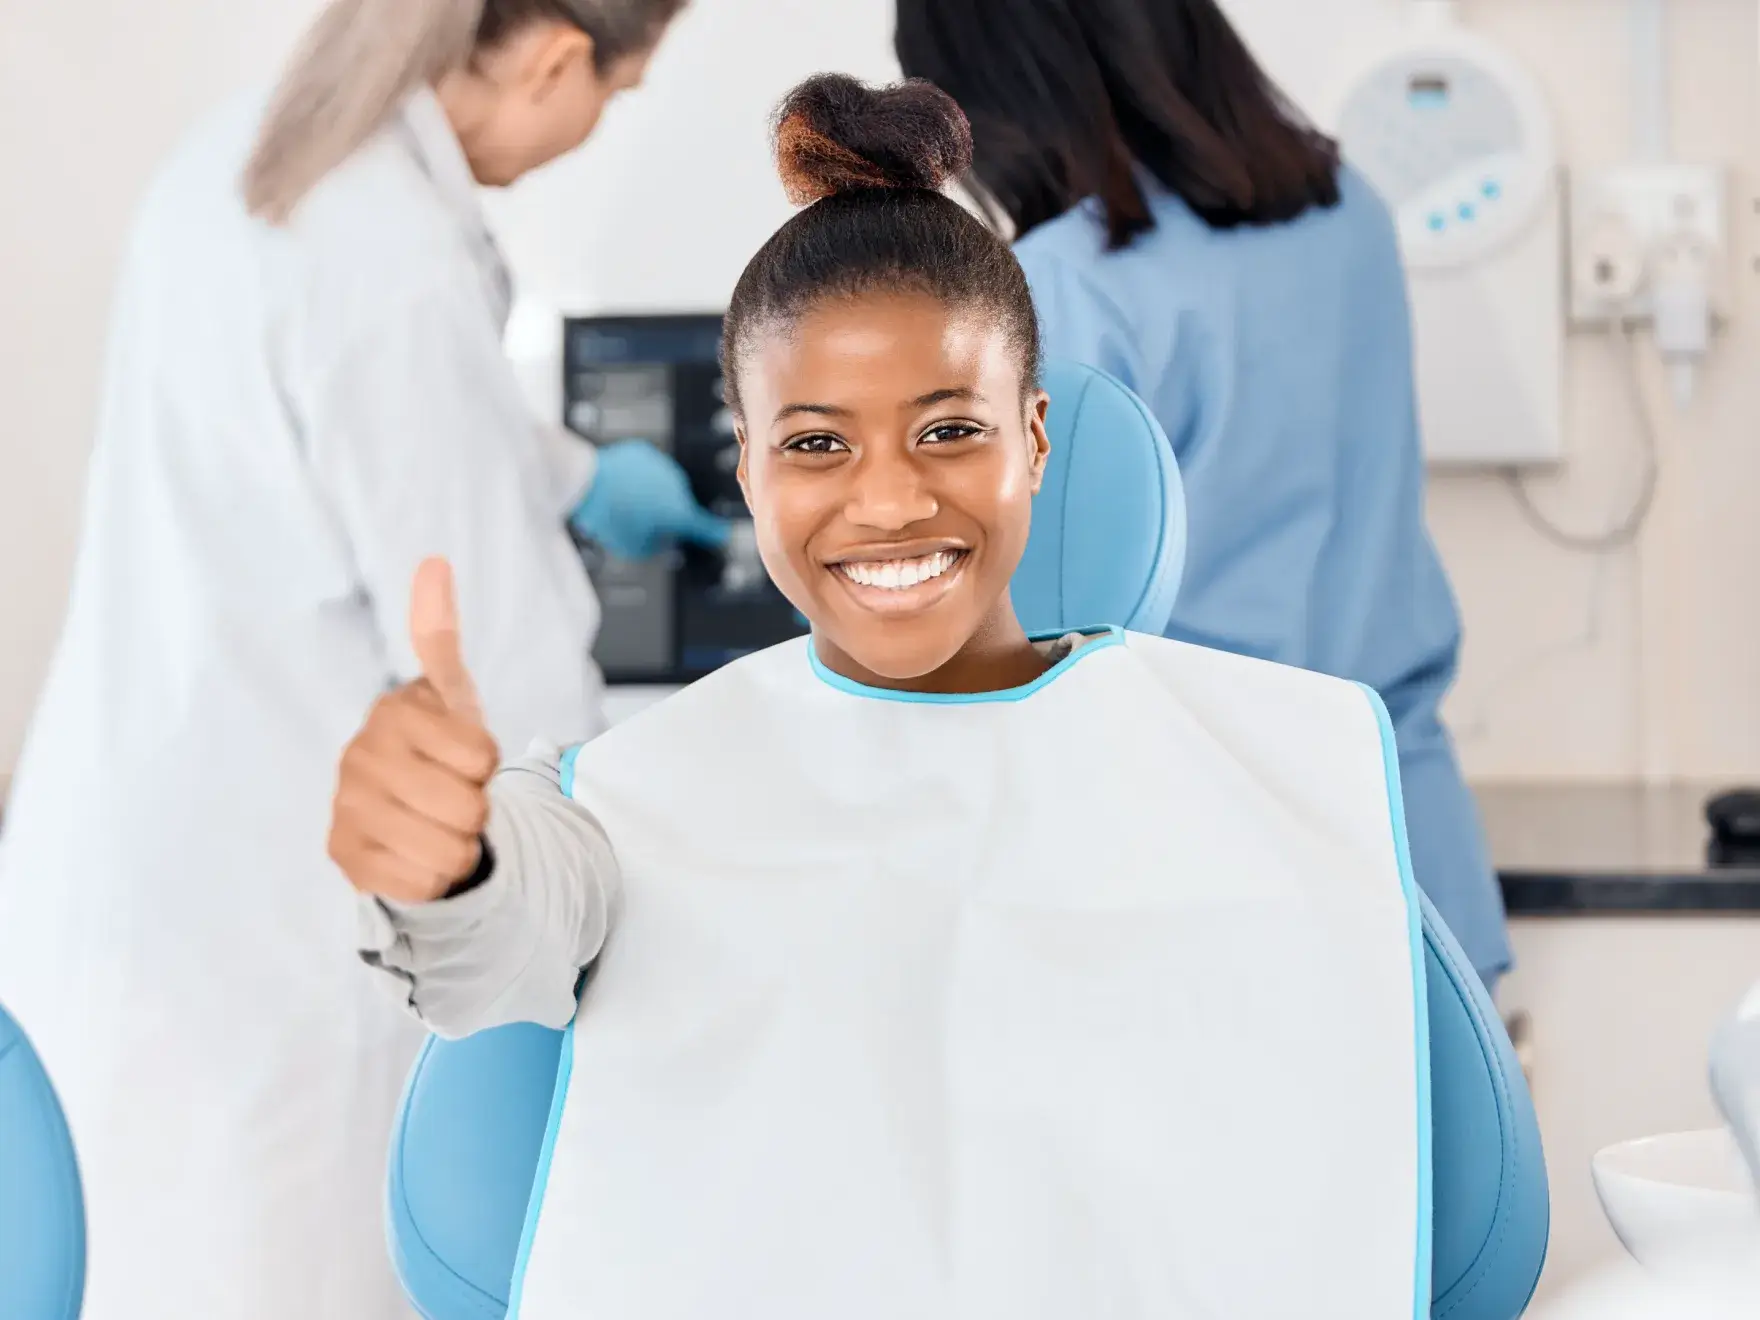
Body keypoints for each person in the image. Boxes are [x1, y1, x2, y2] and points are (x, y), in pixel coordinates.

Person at [334, 75, 1434, 1319]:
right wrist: (449, 865)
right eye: (814, 444)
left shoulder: (1277, 773)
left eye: (947, 430)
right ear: (746, 469)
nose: (890, 502)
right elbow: (510, 931)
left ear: (1033, 437)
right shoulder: (635, 798)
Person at [0, 1, 718, 1316]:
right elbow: (507, 692)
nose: (595, 124)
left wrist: (567, 476)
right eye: (615, 96)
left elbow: (357, 433)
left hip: (122, 868)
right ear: (560, 58)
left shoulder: (258, 153)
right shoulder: (390, 261)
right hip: (248, 948)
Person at [893, 0, 1512, 989]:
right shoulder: (1346, 211)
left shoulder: (1059, 285)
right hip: (1413, 853)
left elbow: (1025, 642)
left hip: (1206, 873)